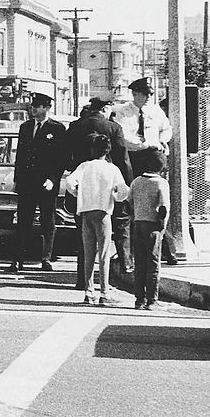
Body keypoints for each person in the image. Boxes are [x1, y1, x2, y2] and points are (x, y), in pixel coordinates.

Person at [64, 95, 133, 287]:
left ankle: (82, 281)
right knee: (106, 240)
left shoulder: (76, 126)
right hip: (106, 188)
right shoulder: (113, 128)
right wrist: (125, 186)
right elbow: (123, 159)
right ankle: (107, 282)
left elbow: (66, 154)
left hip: (83, 190)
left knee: (83, 238)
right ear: (106, 108)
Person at [64, 134, 130, 306]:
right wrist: (115, 196)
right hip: (103, 212)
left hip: (86, 211)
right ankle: (105, 292)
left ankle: (88, 291)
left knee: (88, 253)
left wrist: (78, 194)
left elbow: (70, 182)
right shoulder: (112, 168)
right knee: (104, 253)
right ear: (107, 150)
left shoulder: (84, 166)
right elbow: (123, 190)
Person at [9, 92, 67, 272]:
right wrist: (17, 180)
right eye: (33, 105)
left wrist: (53, 178)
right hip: (27, 183)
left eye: (38, 106)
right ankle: (18, 259)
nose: (33, 109)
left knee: (47, 221)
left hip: (46, 183)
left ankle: (46, 258)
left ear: (47, 107)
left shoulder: (57, 129)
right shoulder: (26, 127)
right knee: (23, 221)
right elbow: (21, 156)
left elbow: (61, 159)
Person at [128, 149, 170, 310]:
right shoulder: (161, 183)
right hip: (153, 225)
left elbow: (128, 201)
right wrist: (162, 225)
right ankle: (152, 300)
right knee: (153, 263)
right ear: (163, 167)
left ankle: (139, 299)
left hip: (138, 223)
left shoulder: (136, 181)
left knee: (139, 262)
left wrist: (134, 215)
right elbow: (163, 208)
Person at [115, 78, 173, 177]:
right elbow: (124, 135)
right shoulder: (123, 111)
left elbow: (166, 128)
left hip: (152, 155)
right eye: (144, 94)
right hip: (132, 154)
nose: (148, 97)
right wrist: (146, 144)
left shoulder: (155, 110)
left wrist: (162, 140)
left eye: (150, 94)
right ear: (134, 94)